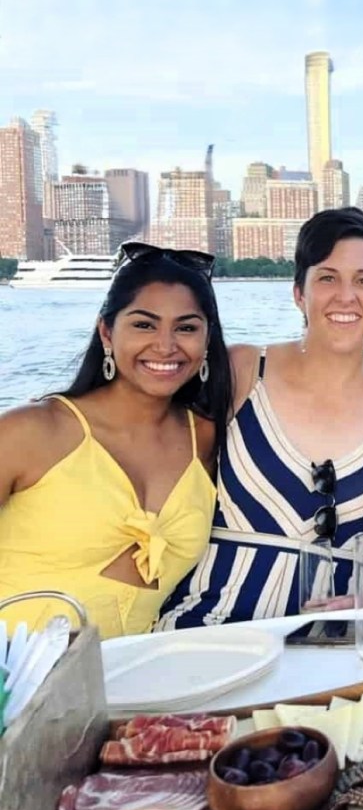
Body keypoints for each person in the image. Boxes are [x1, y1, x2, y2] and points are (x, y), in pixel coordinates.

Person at [157, 208, 363, 628]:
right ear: (299, 292)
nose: (346, 296)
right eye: (327, 278)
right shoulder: (242, 370)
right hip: (210, 625)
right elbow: (148, 441)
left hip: (337, 640)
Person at [0, 244, 230, 637]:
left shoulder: (204, 438)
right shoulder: (31, 432)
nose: (165, 345)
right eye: (144, 324)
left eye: (187, 327)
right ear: (106, 331)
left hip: (133, 685)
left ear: (207, 339)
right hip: (14, 683)